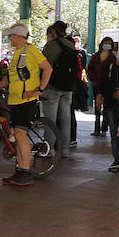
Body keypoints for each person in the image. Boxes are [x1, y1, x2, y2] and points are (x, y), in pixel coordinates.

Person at [0, 22, 49, 187]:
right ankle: (20, 170)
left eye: (11, 36)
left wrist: (39, 90)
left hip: (27, 99)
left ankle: (25, 171)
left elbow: (48, 69)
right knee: (18, 136)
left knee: (20, 134)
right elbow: (10, 78)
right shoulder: (16, 53)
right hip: (14, 100)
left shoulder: (31, 50)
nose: (9, 38)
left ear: (18, 36)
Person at [39, 21, 78, 160]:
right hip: (67, 88)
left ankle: (49, 148)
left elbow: (42, 65)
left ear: (53, 32)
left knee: (50, 119)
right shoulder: (71, 45)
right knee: (65, 118)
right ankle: (65, 149)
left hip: (52, 87)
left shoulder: (50, 46)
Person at [99, 39, 119, 172]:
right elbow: (104, 82)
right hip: (112, 103)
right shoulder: (111, 66)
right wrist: (101, 95)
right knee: (115, 133)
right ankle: (118, 160)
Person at [87, 42, 109, 136]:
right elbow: (90, 69)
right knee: (97, 108)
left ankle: (104, 130)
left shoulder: (111, 56)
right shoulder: (96, 56)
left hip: (108, 86)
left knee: (107, 108)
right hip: (97, 85)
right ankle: (97, 129)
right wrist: (93, 80)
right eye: (106, 43)